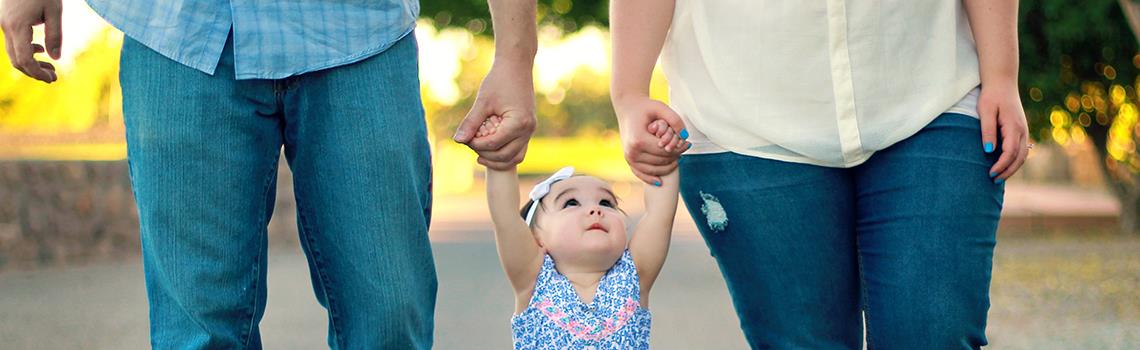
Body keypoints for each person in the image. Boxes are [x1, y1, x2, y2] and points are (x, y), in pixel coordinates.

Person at [1, 0, 536, 347]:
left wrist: (516, 56)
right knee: (199, 333)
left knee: (389, 320)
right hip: (179, 31)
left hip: (359, 29)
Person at [611, 0, 1029, 348]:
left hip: (933, 87)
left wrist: (1002, 76)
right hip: (740, 115)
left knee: (933, 337)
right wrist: (629, 93)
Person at [478, 115, 685, 349]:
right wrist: (499, 153)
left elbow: (660, 216)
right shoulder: (533, 280)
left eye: (606, 203)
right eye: (571, 203)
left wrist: (661, 154)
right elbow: (505, 217)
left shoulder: (634, 275)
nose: (595, 209)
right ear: (536, 237)